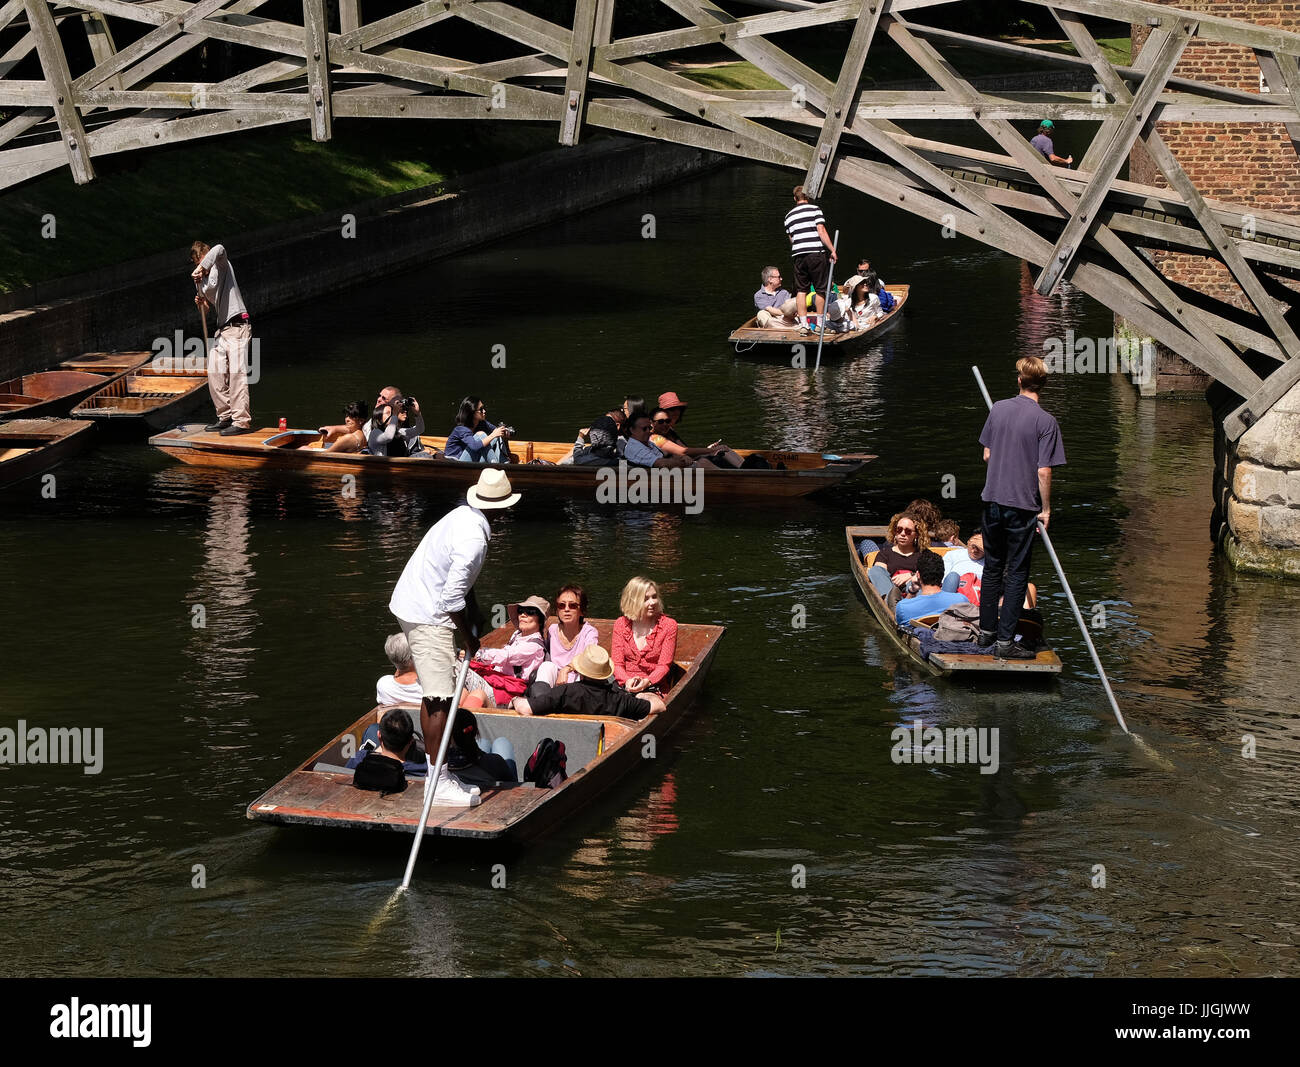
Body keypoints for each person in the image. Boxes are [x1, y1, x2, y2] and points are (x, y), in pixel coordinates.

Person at [388, 467, 521, 806]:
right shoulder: (474, 539)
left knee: (436, 696)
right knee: (440, 700)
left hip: (414, 604)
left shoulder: (463, 514)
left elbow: (461, 584)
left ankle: (438, 773)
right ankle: (439, 782)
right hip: (428, 615)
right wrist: (469, 638)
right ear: (501, 507)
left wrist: (474, 616)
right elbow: (450, 599)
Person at [978, 355, 1066, 659]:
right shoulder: (1046, 422)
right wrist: (1046, 509)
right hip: (1021, 507)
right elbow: (1044, 471)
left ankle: (985, 634)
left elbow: (988, 455)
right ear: (1043, 384)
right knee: (1016, 573)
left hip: (992, 501)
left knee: (992, 568)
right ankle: (1005, 642)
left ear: (1019, 380)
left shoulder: (998, 409)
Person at [190, 240, 253, 436]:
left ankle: (241, 421)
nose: (200, 267)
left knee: (236, 374)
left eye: (201, 262)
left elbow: (220, 248)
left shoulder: (221, 264)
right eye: (197, 264)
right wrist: (201, 302)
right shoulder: (203, 281)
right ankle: (225, 416)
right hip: (222, 329)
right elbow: (208, 308)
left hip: (238, 326)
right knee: (214, 373)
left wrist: (203, 266)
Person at [511, 646, 666, 720]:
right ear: (606, 674)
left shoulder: (565, 692)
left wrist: (515, 700)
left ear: (580, 671)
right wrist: (643, 695)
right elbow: (660, 705)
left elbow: (526, 708)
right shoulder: (620, 699)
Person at [470, 595, 549, 704]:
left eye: (530, 611)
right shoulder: (517, 634)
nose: (523, 615)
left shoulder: (534, 647)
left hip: (509, 691)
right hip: (497, 680)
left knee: (463, 675)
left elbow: (506, 655)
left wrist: (477, 654)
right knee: (463, 689)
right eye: (521, 610)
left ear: (540, 620)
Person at [783, 185, 837, 333]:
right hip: (815, 253)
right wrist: (832, 250)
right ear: (808, 197)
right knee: (821, 289)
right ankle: (820, 324)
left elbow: (792, 240)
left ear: (795, 198)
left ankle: (804, 325)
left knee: (801, 290)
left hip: (798, 256)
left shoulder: (788, 216)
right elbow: (821, 230)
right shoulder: (815, 209)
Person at [611, 576, 678, 694]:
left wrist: (647, 681)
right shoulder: (621, 624)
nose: (652, 602)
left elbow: (664, 665)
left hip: (653, 687)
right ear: (633, 600)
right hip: (624, 685)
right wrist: (627, 682)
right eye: (645, 599)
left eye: (654, 597)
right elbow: (617, 664)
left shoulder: (669, 626)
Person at [346, 707, 427, 793]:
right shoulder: (421, 768)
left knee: (372, 729)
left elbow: (344, 775)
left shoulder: (359, 758)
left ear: (379, 736)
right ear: (411, 741)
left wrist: (375, 751)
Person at [535, 584, 600, 687]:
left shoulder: (589, 632)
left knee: (584, 673)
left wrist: (566, 669)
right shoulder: (552, 630)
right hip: (556, 681)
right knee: (546, 666)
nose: (566, 609)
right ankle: (541, 698)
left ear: (582, 611)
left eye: (572, 606)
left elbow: (589, 658)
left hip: (579, 681)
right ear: (557, 610)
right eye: (561, 605)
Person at [895, 550, 970, 627]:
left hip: (920, 636)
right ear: (942, 574)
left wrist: (912, 592)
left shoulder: (903, 607)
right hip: (951, 636)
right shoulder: (961, 600)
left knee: (894, 594)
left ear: (918, 575)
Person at [446, 709, 517, 787]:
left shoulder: (438, 770)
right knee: (502, 742)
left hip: (469, 770)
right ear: (475, 732)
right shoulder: (496, 762)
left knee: (483, 742)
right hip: (485, 768)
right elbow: (512, 784)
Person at [649, 409, 743, 468]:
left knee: (722, 449)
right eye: (660, 422)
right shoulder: (655, 438)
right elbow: (684, 451)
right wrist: (709, 451)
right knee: (704, 461)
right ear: (651, 423)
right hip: (676, 468)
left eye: (667, 421)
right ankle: (739, 480)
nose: (665, 424)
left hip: (687, 461)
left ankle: (749, 469)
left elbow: (686, 452)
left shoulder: (670, 432)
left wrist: (710, 449)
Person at [445, 395, 511, 463]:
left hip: (472, 460)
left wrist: (504, 432)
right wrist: (493, 435)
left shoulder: (481, 423)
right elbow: (475, 446)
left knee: (498, 433)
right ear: (472, 413)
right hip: (455, 463)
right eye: (481, 409)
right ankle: (496, 465)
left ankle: (504, 463)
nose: (484, 411)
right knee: (481, 435)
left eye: (484, 408)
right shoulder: (461, 429)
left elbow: (496, 431)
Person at [367, 385, 427, 457]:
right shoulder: (375, 433)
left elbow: (419, 430)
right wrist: (395, 415)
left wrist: (417, 413)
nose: (391, 415)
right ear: (379, 417)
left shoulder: (397, 431)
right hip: (381, 466)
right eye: (388, 413)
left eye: (391, 413)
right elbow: (388, 436)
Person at [623, 412, 691, 469]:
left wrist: (683, 457)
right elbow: (660, 463)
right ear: (632, 430)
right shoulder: (634, 448)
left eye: (649, 428)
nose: (648, 431)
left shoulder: (647, 443)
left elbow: (666, 455)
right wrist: (684, 462)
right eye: (644, 429)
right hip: (656, 480)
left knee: (701, 459)